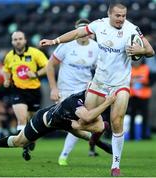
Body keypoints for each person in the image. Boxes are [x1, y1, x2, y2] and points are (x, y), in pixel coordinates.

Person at [39, 2, 155, 176]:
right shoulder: (98, 25)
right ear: (109, 14)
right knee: (86, 122)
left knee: (117, 121)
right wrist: (55, 40)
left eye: (123, 15)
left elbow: (150, 51)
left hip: (120, 83)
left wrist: (142, 50)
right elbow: (78, 33)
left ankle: (115, 166)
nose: (121, 19)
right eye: (117, 15)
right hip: (99, 82)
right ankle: (95, 136)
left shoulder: (132, 29)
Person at [0, 90, 116, 161]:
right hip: (44, 122)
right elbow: (87, 119)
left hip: (65, 122)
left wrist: (82, 125)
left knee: (85, 132)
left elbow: (99, 125)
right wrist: (107, 103)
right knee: (19, 142)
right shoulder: (76, 102)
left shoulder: (90, 101)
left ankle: (102, 145)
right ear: (88, 89)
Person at [46, 18, 99, 166]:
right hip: (65, 90)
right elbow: (50, 66)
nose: (82, 33)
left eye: (85, 29)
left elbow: (101, 69)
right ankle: (93, 138)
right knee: (63, 123)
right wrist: (53, 88)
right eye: (79, 29)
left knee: (79, 121)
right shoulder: (66, 45)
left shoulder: (96, 48)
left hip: (83, 92)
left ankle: (64, 155)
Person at [3, 31, 48, 160]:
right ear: (12, 42)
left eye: (20, 39)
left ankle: (31, 139)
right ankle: (24, 146)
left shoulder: (35, 53)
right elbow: (6, 69)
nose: (18, 41)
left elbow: (48, 66)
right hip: (18, 91)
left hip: (34, 91)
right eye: (15, 39)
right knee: (22, 118)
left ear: (25, 40)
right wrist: (7, 79)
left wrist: (36, 74)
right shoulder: (9, 56)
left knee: (33, 120)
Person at [129, 60, 152, 140]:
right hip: (133, 97)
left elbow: (151, 81)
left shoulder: (146, 68)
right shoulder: (129, 69)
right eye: (135, 61)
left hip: (144, 97)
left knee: (145, 117)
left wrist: (144, 84)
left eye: (138, 61)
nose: (136, 63)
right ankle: (132, 136)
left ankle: (144, 135)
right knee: (132, 117)